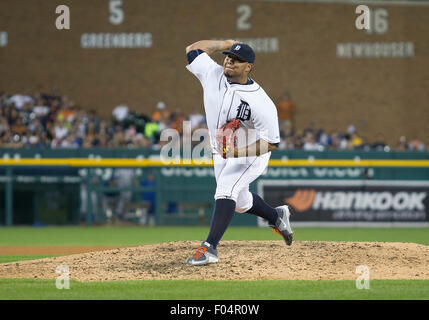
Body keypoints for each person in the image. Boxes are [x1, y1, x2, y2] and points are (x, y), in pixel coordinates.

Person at [184, 39, 293, 266]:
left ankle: (209, 248)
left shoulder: (261, 102)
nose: (229, 61)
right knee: (241, 202)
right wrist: (223, 43)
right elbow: (192, 50)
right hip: (221, 151)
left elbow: (272, 142)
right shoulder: (213, 74)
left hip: (251, 154)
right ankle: (276, 216)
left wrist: (237, 152)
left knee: (225, 189)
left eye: (237, 59)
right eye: (228, 56)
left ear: (248, 67)